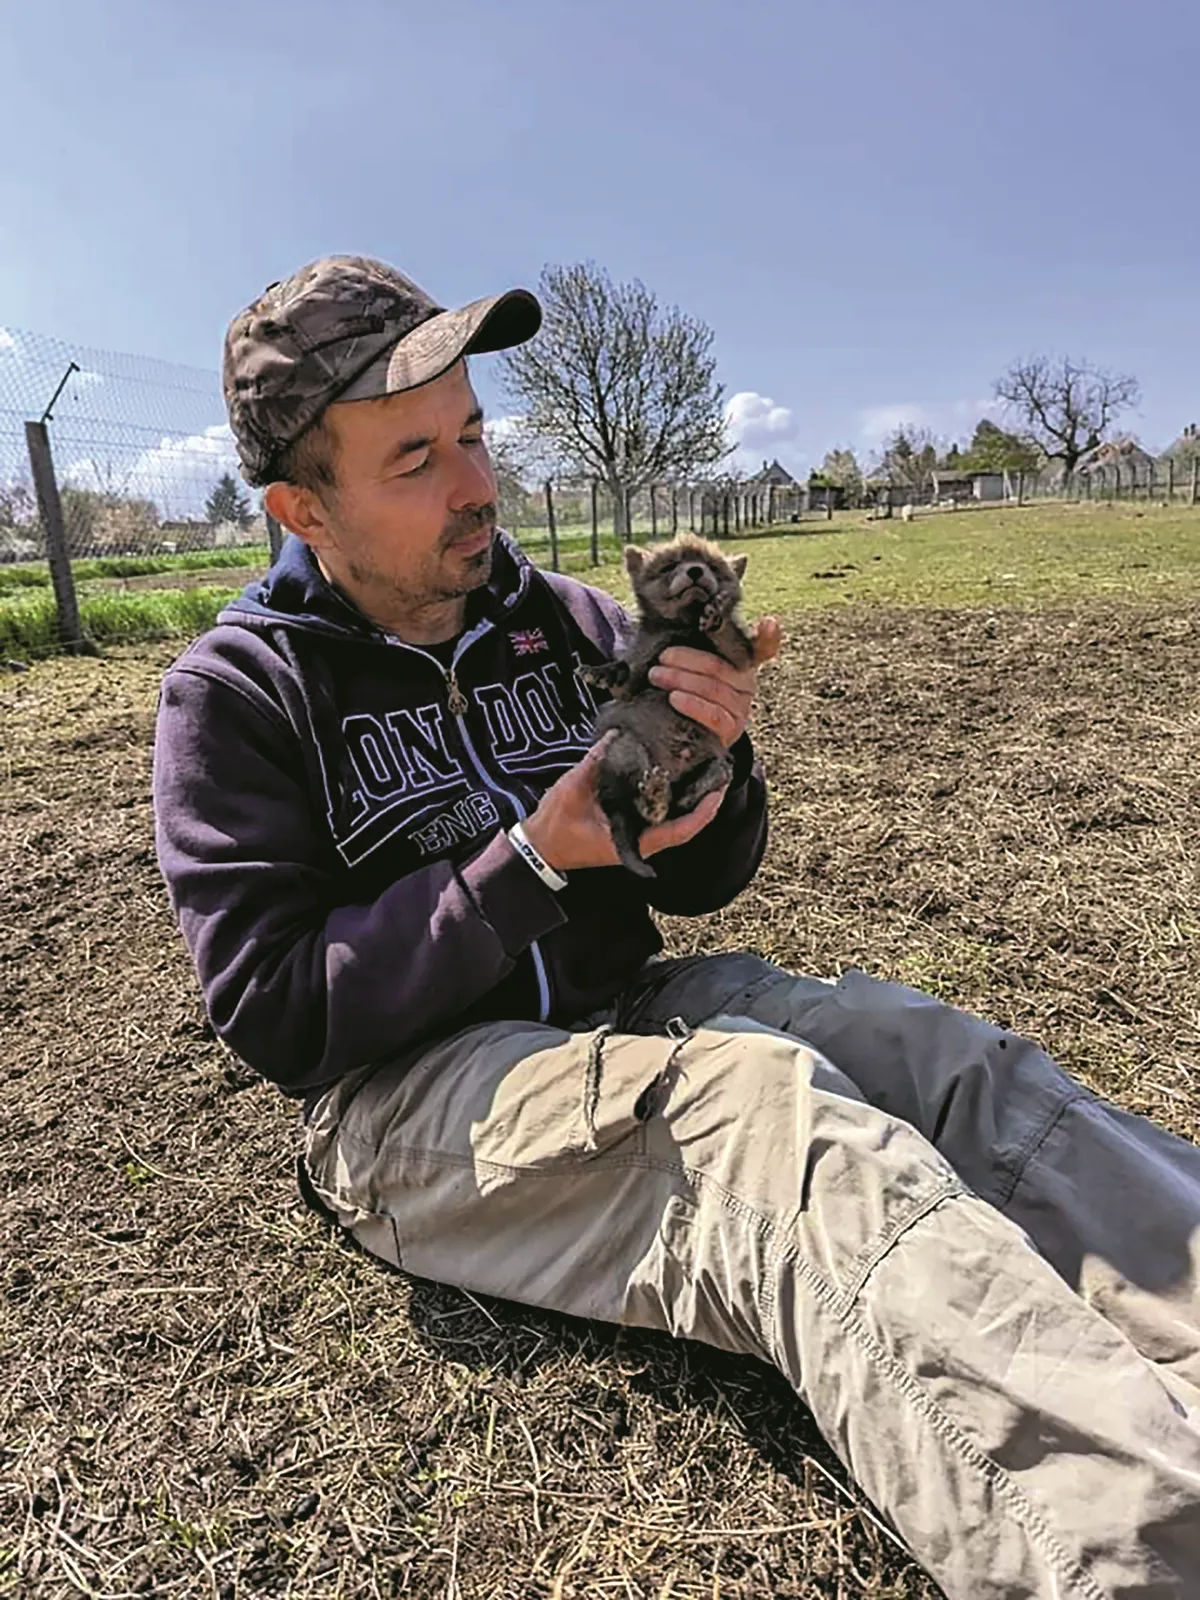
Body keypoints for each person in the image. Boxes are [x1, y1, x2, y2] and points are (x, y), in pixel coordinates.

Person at [153, 255, 1200, 1600]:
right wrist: (531, 859)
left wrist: (712, 782)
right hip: (406, 1104)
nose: (475, 484)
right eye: (413, 458)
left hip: (621, 1011)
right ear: (304, 506)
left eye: (472, 433)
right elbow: (278, 1014)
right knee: (764, 1123)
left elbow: (695, 882)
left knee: (925, 1052)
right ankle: (1143, 1554)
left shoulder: (565, 624)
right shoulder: (239, 692)